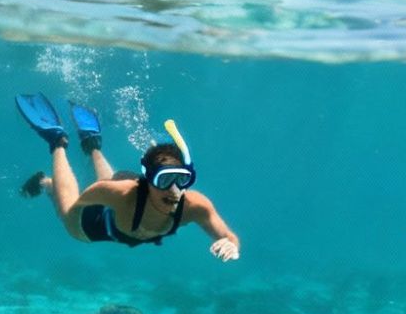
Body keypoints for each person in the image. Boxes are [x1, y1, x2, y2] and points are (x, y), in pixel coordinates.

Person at [14, 94, 240, 260]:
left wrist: (232, 245)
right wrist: (66, 207)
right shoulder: (119, 192)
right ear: (147, 181)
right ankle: (57, 142)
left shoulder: (196, 205)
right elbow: (79, 203)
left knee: (114, 181)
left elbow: (229, 235)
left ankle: (92, 145)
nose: (173, 191)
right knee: (69, 219)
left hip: (120, 202)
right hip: (95, 224)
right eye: (163, 180)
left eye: (180, 180)